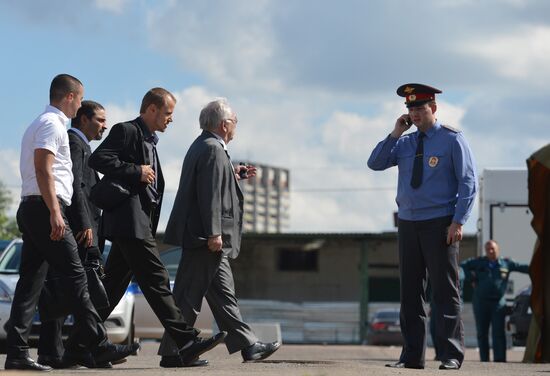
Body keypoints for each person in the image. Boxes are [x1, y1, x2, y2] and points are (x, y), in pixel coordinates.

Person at [5, 74, 136, 372]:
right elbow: (43, 168)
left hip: (33, 207)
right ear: (69, 97)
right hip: (45, 208)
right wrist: (54, 212)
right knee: (76, 276)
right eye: (79, 98)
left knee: (31, 283)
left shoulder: (40, 123)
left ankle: (17, 352)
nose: (79, 104)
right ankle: (99, 345)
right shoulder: (52, 124)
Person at [88, 88, 226, 367]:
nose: (171, 119)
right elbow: (98, 158)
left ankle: (78, 345)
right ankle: (186, 341)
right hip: (129, 223)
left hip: (139, 224)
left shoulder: (149, 141)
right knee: (157, 280)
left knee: (112, 287)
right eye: (168, 113)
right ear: (151, 109)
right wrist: (135, 170)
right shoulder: (126, 131)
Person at [157, 98, 280, 367]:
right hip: (207, 238)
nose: (236, 127)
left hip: (208, 238)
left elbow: (211, 181)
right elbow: (209, 195)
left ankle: (248, 345)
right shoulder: (213, 149)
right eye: (235, 122)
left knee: (224, 295)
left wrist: (233, 173)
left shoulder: (207, 146)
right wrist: (214, 233)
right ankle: (173, 351)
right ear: (225, 125)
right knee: (189, 296)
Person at [368, 83, 477, 370]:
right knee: (410, 293)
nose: (415, 114)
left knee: (444, 291)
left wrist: (458, 220)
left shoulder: (452, 139)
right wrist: (395, 133)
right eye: (411, 109)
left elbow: (468, 182)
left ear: (434, 108)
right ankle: (412, 356)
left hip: (440, 223)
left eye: (420, 108)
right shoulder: (404, 143)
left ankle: (450, 354)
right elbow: (375, 163)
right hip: (408, 223)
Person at [36, 100, 110, 368]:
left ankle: (60, 351)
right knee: (72, 288)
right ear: (83, 119)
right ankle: (76, 350)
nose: (105, 125)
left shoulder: (82, 145)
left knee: (66, 288)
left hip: (79, 227)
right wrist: (84, 223)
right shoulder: (75, 143)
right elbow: (76, 186)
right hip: (79, 230)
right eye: (100, 119)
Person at [461, 239, 529, 362]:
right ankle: (484, 360)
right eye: (487, 249)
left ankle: (500, 360)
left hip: (498, 304)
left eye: (492, 248)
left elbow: (525, 268)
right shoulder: (478, 262)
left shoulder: (506, 263)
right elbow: (463, 265)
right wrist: (471, 278)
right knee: (482, 333)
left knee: (498, 333)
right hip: (481, 303)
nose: (490, 251)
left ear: (498, 249)